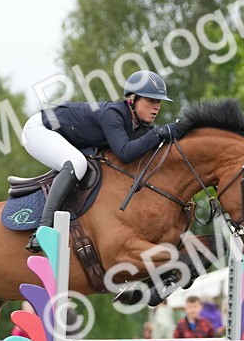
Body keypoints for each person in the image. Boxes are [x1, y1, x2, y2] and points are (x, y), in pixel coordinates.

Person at [20, 70, 177, 253]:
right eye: (151, 101)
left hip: (61, 134)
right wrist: (158, 133)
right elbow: (125, 153)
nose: (156, 107)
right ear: (132, 100)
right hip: (38, 130)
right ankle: (44, 228)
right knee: (77, 163)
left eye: (158, 102)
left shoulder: (135, 123)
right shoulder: (113, 114)